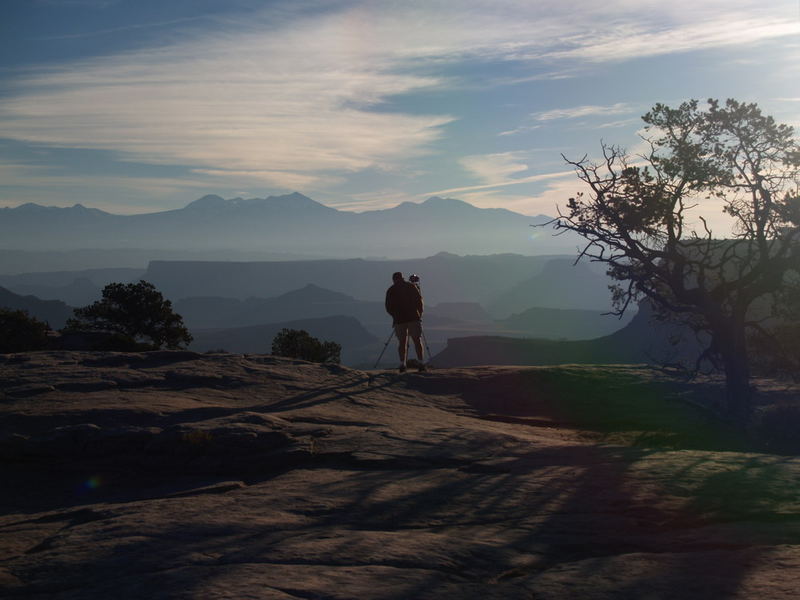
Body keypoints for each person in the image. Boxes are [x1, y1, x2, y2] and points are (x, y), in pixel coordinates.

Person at [385, 271, 425, 372]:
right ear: (402, 278)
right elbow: (419, 301)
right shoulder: (411, 287)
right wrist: (419, 314)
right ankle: (421, 363)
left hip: (399, 320)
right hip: (413, 318)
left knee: (402, 342)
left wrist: (395, 316)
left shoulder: (391, 290)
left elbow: (388, 307)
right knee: (417, 340)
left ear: (394, 280)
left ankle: (402, 364)